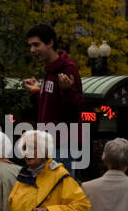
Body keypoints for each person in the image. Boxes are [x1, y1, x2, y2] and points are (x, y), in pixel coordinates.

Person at [23, 23, 83, 166]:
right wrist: (35, 91)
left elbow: (77, 109)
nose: (32, 50)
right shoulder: (49, 71)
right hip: (48, 146)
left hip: (62, 147)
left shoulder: (68, 69)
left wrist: (68, 91)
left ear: (50, 42)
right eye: (30, 46)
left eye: (36, 45)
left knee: (60, 188)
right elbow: (49, 106)